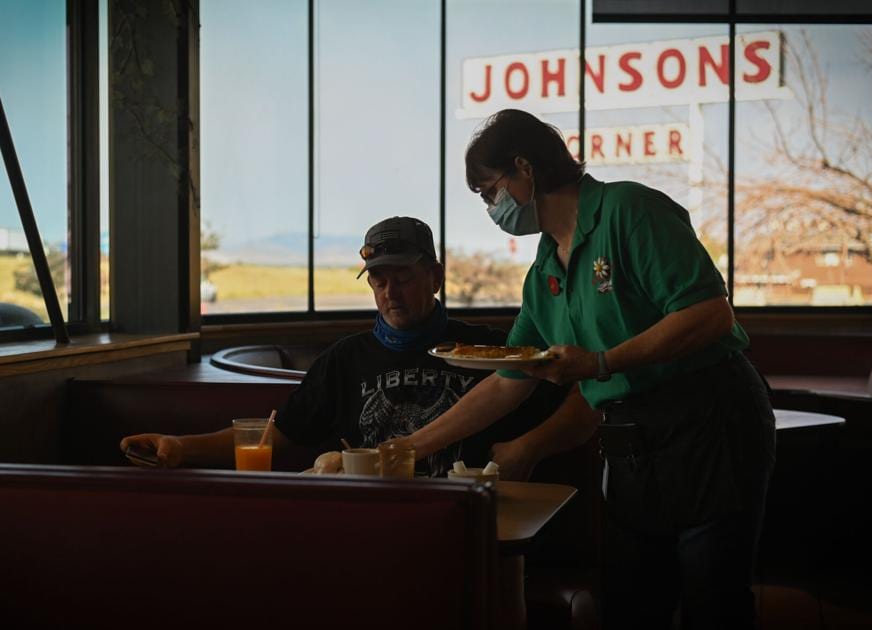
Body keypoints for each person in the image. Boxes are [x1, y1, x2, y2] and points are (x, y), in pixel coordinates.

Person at [401, 109, 776, 629]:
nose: (492, 207)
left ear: (523, 168)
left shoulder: (629, 210)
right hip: (630, 444)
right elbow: (511, 378)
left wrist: (601, 362)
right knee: (629, 605)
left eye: (490, 192)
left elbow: (709, 314)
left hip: (707, 421)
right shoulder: (545, 270)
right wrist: (408, 447)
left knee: (713, 603)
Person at [121, 215, 570, 478]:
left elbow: (578, 398)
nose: (390, 292)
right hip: (370, 518)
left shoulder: (492, 350)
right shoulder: (343, 360)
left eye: (404, 279)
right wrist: (180, 447)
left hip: (470, 516)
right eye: (379, 281)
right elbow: (279, 435)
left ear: (435, 278)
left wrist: (529, 447)